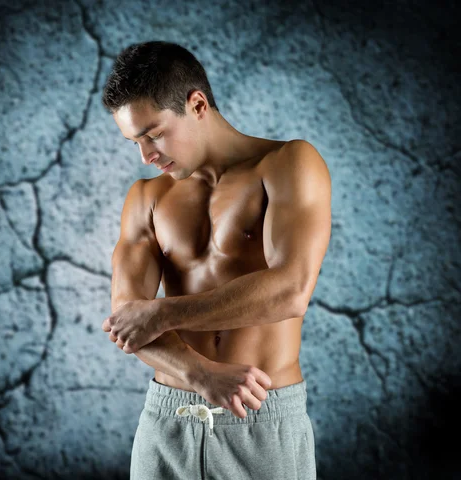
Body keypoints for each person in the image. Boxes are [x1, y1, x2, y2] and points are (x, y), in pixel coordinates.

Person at [100, 41, 331, 480]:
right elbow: (127, 321)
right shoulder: (146, 197)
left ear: (198, 104)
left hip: (260, 420)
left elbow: (291, 289)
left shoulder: (287, 164)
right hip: (166, 423)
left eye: (153, 134)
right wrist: (201, 374)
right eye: (135, 141)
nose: (146, 155)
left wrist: (163, 312)